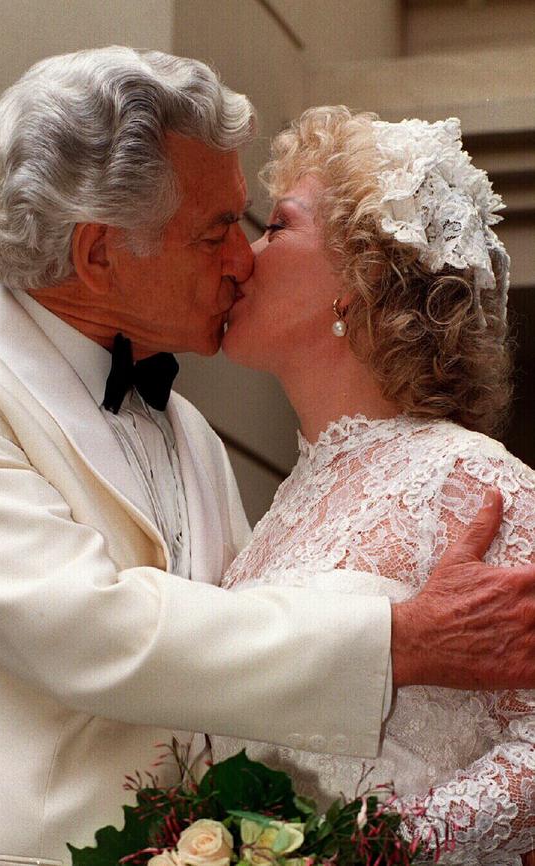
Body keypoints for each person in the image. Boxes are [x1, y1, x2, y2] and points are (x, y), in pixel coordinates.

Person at [0, 49, 533, 865]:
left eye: (256, 223)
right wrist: (397, 640)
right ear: (96, 255)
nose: (242, 256)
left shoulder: (189, 430)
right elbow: (90, 632)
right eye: (218, 229)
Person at [217, 106, 535, 864]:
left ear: (359, 280)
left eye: (276, 227)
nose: (244, 253)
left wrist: (379, 852)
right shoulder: (275, 513)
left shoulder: (471, 476)